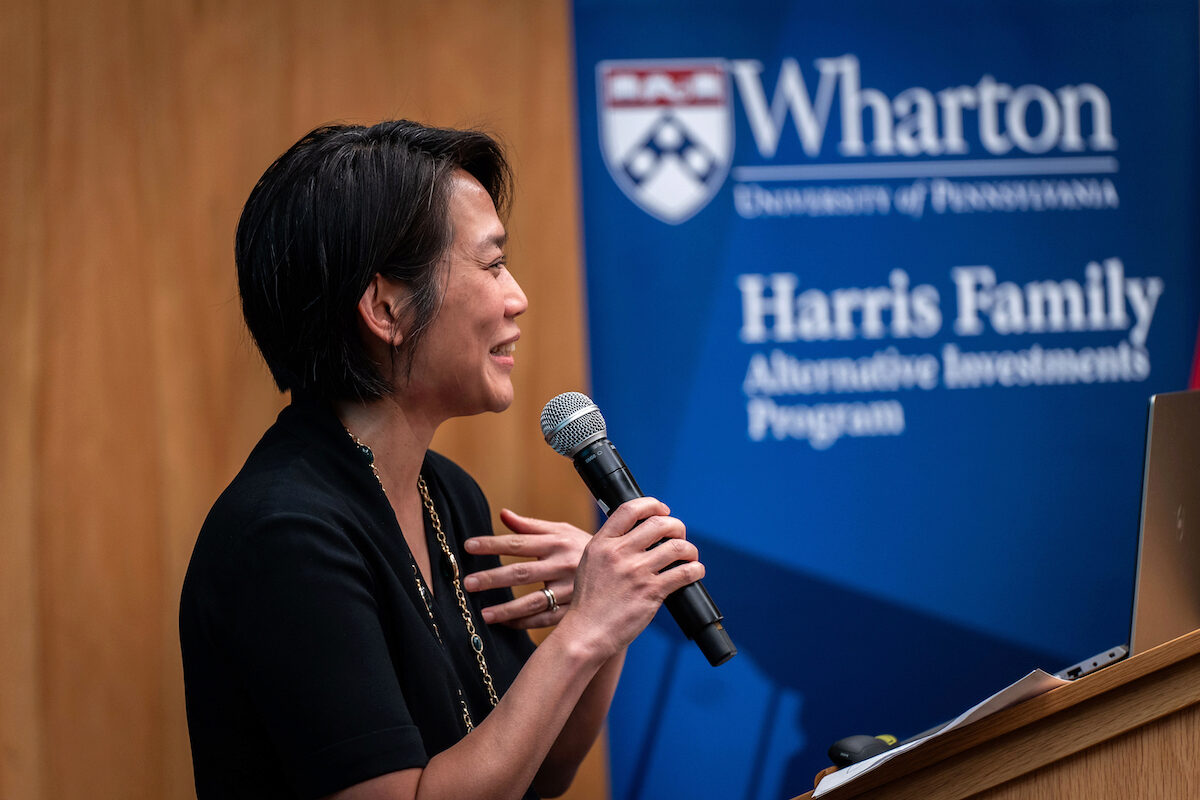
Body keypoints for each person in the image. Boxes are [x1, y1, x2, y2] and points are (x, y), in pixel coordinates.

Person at [179, 120, 705, 800]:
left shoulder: (446, 495)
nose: (517, 297)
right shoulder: (283, 535)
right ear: (386, 308)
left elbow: (536, 775)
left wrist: (608, 622)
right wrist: (581, 634)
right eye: (491, 266)